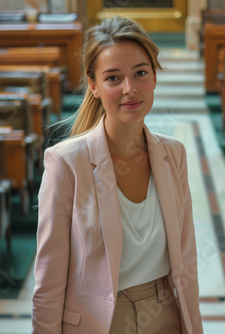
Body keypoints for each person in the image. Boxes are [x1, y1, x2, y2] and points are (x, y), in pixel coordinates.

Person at [32, 16, 203, 334]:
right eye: (113, 78)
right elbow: (48, 282)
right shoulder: (66, 163)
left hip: (166, 314)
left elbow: (187, 258)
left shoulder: (173, 154)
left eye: (140, 72)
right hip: (101, 321)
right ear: (94, 86)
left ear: (154, 76)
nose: (130, 89)